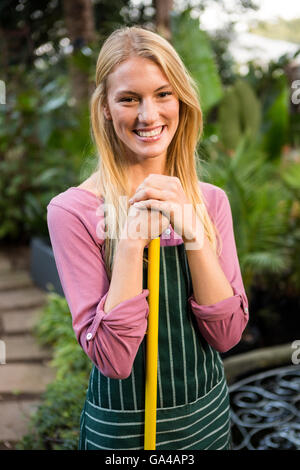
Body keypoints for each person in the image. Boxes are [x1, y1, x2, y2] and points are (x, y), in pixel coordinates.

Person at [47, 26, 249, 451]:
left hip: (206, 422)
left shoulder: (210, 202)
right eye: (128, 98)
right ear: (104, 107)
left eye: (163, 94)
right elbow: (114, 360)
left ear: (181, 100)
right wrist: (129, 243)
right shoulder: (73, 213)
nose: (148, 115)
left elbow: (227, 335)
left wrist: (194, 232)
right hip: (123, 436)